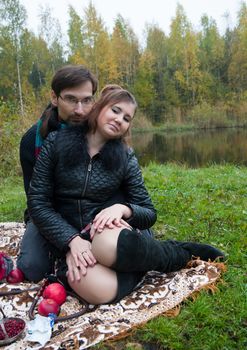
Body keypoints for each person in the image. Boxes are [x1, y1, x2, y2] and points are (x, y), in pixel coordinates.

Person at [27, 85, 225, 305]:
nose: (120, 119)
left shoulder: (125, 157)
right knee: (95, 290)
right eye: (115, 110)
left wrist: (123, 209)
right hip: (69, 236)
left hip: (105, 233)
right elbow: (38, 202)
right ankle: (140, 267)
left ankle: (180, 253)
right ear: (100, 107)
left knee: (106, 245)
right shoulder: (56, 143)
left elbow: (148, 212)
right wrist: (70, 241)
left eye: (127, 118)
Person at [16, 65, 98, 282]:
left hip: (91, 209)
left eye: (87, 100)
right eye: (71, 99)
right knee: (31, 268)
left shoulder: (101, 133)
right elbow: (36, 202)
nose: (80, 110)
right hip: (47, 210)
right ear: (54, 97)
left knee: (119, 252)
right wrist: (69, 240)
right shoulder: (32, 141)